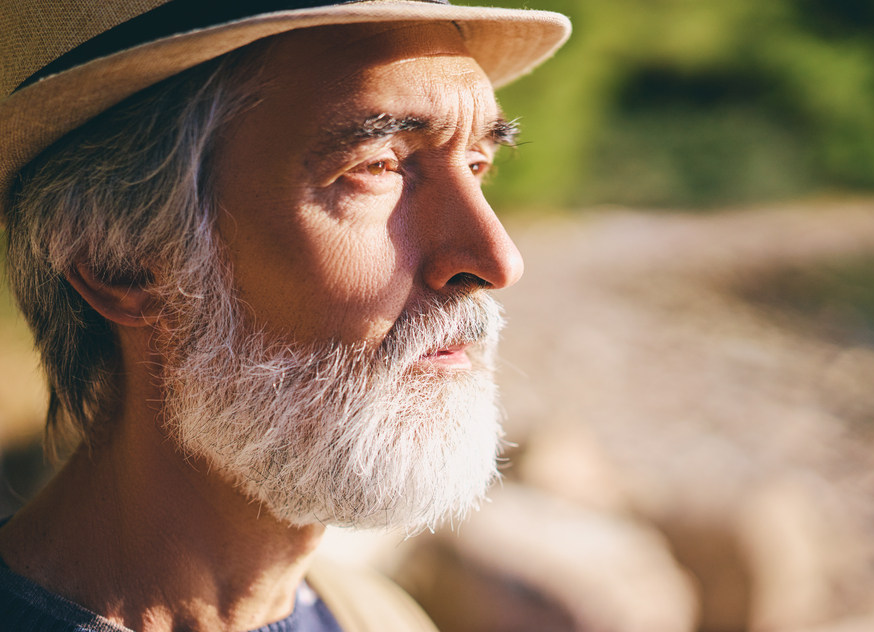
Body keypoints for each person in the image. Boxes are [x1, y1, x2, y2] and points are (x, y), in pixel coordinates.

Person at [0, 2, 570, 630]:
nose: (497, 259)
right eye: (377, 166)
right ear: (120, 260)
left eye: (477, 165)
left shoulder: (380, 618)